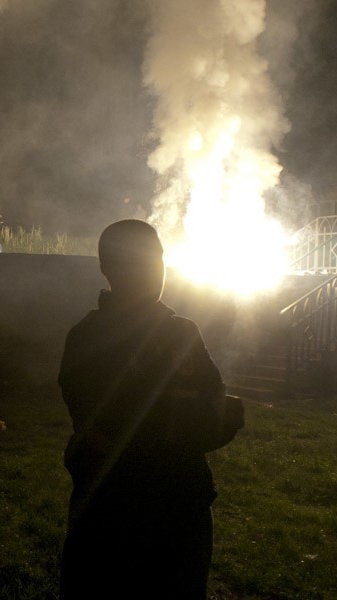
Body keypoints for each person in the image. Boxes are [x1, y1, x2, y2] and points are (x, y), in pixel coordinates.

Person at [57, 219, 244, 600]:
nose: (155, 269)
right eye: (139, 260)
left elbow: (209, 403)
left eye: (158, 257)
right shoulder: (90, 338)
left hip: (181, 509)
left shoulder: (182, 331)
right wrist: (202, 418)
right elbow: (112, 424)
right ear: (108, 269)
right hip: (114, 510)